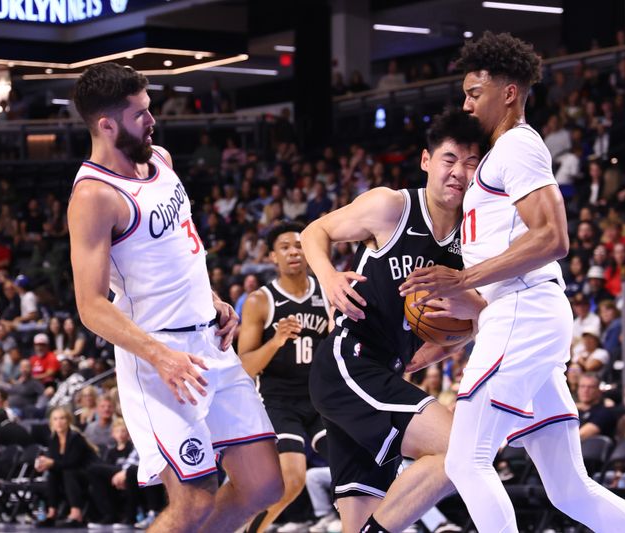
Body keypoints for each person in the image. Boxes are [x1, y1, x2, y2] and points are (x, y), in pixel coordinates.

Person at [400, 31, 625, 532]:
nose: (466, 103)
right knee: (569, 489)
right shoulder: (497, 156)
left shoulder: (517, 146)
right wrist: (443, 342)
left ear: (508, 92)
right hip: (520, 313)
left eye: (475, 93)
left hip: (524, 310)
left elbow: (553, 238)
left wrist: (462, 277)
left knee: (465, 460)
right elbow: (500, 274)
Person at [69, 63, 282, 533]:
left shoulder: (160, 158)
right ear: (106, 125)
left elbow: (173, 252)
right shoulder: (95, 196)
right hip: (160, 360)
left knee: (265, 484)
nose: (152, 120)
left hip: (210, 345)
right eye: (140, 114)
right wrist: (161, 357)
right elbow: (90, 306)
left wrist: (212, 299)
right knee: (193, 506)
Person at [302, 108, 486, 533]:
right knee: (462, 450)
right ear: (426, 161)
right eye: (449, 159)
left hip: (386, 368)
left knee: (359, 516)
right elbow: (315, 231)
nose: (459, 172)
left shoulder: (472, 240)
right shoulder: (392, 206)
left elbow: (470, 322)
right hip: (350, 361)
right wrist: (328, 278)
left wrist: (438, 349)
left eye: (471, 162)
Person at [237, 222, 331, 533]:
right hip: (278, 401)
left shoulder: (327, 293)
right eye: (285, 247)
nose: (294, 252)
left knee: (353, 466)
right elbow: (245, 366)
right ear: (273, 256)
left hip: (320, 399)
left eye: (300, 245)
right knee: (292, 480)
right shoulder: (259, 301)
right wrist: (275, 341)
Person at [34, 407, 98, 528]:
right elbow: (56, 464)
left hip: (87, 473)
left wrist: (51, 463)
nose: (59, 422)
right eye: (55, 419)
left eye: (62, 418)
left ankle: (76, 514)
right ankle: (51, 513)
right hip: (68, 474)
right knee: (53, 474)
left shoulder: (75, 438)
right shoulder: (53, 439)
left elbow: (73, 462)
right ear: (51, 422)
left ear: (68, 420)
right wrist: (44, 466)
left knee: (68, 472)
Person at [576, 373, 616, 440]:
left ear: (598, 390)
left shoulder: (605, 412)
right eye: (582, 386)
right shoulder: (576, 411)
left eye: (590, 387)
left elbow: (581, 435)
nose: (585, 390)